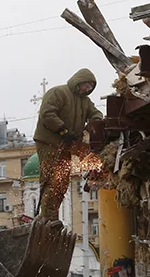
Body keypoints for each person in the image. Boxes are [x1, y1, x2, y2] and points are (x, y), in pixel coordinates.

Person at [33, 68, 103, 221]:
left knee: (61, 182)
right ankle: (46, 218)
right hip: (49, 143)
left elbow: (96, 114)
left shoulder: (85, 101)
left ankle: (52, 217)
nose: (88, 89)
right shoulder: (58, 93)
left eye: (91, 87)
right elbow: (47, 114)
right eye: (86, 85)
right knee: (51, 179)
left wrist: (90, 126)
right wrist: (63, 130)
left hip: (67, 145)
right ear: (78, 81)